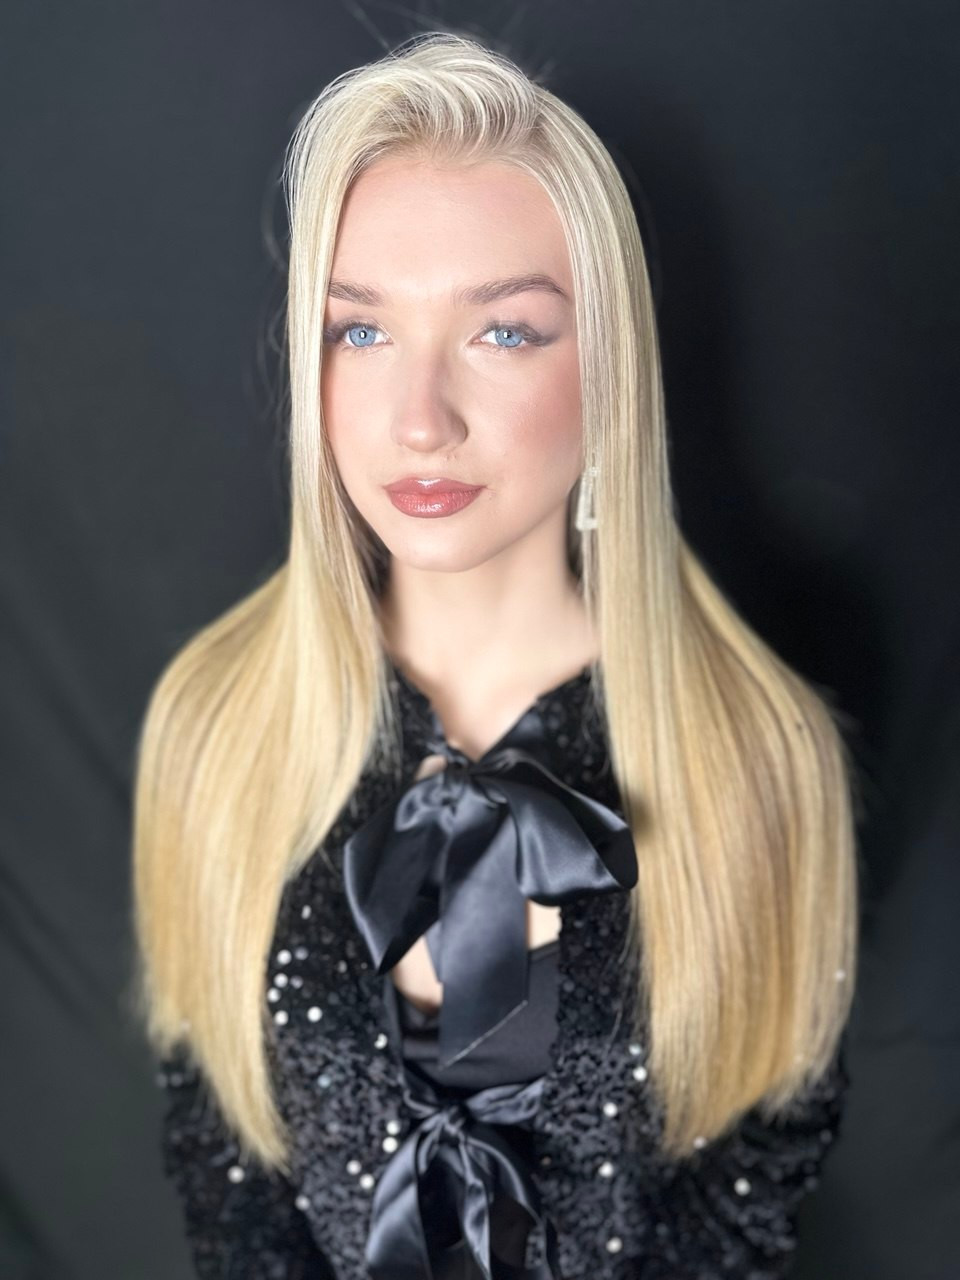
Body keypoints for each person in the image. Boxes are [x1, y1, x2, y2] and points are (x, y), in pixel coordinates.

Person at [129, 30, 860, 1280]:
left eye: (504, 333)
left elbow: (745, 1198)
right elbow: (229, 1184)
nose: (420, 418)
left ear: (610, 367)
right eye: (362, 332)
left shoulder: (761, 757)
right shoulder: (214, 727)